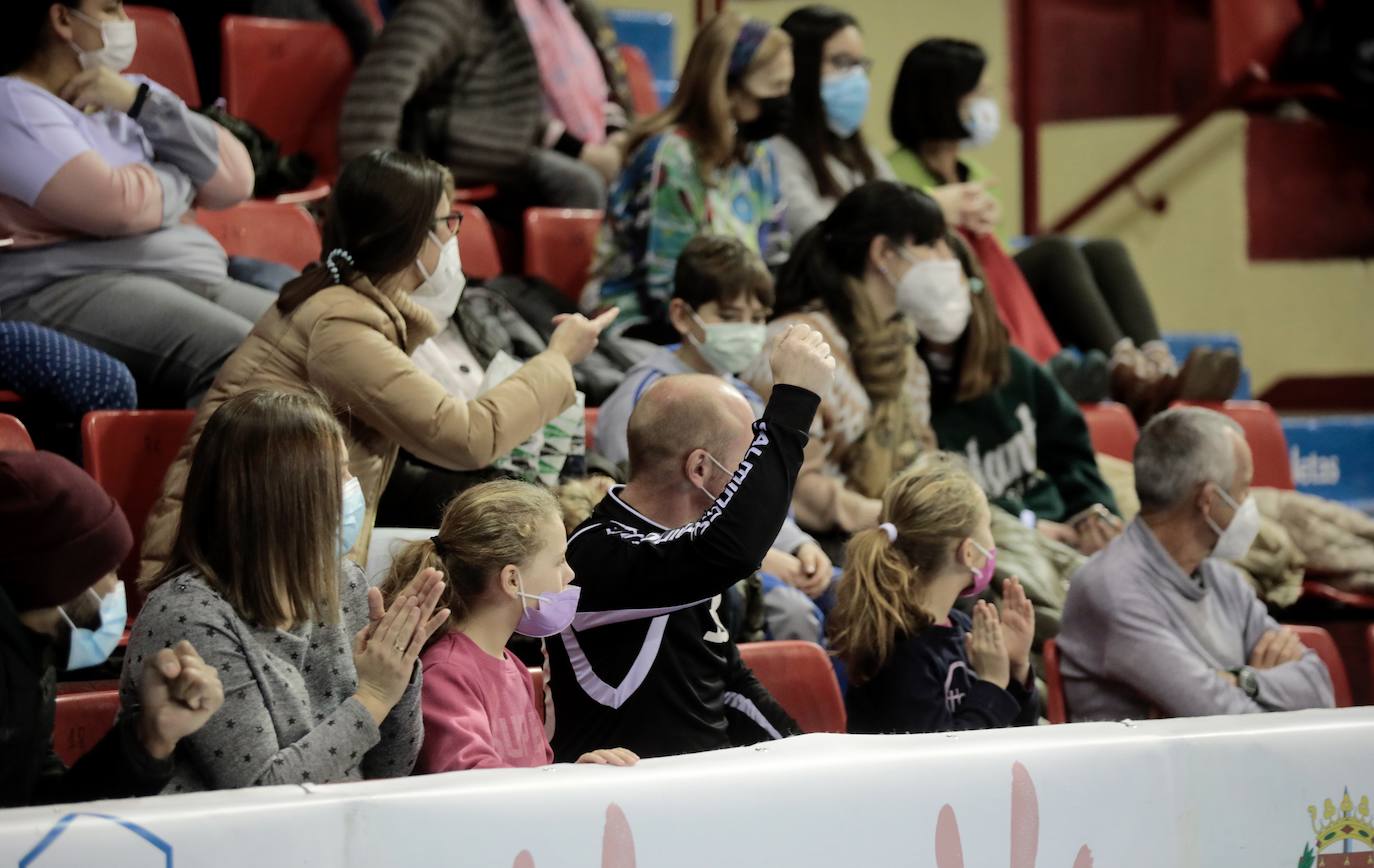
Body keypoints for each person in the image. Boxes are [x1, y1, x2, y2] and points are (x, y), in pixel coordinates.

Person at [140, 150, 615, 577]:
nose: (454, 238)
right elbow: (469, 436)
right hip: (227, 565)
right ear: (409, 234)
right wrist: (557, 358)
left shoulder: (351, 308)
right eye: (449, 222)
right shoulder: (340, 323)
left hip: (273, 549)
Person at [886, 37, 1239, 416]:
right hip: (953, 301)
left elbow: (1002, 267)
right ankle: (1123, 370)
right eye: (977, 93)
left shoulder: (980, 175)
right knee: (1055, 252)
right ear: (941, 98)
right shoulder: (893, 172)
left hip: (1003, 302)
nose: (988, 103)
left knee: (1106, 251)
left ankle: (1156, 364)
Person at [123, 389, 448, 791]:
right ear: (284, 497)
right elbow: (265, 792)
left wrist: (397, 669)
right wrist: (374, 696)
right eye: (339, 474)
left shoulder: (344, 582)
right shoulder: (191, 614)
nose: (354, 487)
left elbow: (388, 771)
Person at [546, 323, 836, 760]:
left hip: (701, 795)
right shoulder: (592, 555)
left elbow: (730, 687)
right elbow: (727, 550)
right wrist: (794, 401)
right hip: (620, 809)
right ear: (699, 469)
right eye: (745, 464)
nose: (748, 481)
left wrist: (812, 763)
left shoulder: (686, 553)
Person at [0, 0, 276, 409]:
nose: (127, 23)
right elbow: (117, 205)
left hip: (177, 274)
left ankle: (351, 476)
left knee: (317, 337)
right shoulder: (14, 105)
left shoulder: (133, 95)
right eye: (111, 10)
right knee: (244, 355)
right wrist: (184, 178)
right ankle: (197, 475)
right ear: (61, 19)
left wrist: (141, 102)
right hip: (65, 286)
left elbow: (236, 178)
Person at [596, 234, 833, 641]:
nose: (746, 330)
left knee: (857, 594)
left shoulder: (748, 396)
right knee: (794, 614)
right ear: (684, 316)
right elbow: (648, 511)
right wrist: (766, 560)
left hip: (758, 550)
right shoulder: (646, 394)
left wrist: (801, 546)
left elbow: (766, 491)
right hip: (693, 561)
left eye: (757, 318)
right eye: (729, 314)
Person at [1056, 407, 1335, 721]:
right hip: (1155, 770)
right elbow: (1223, 720)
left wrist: (1245, 680)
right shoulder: (1113, 590)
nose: (1248, 503)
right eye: (1243, 489)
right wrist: (1264, 688)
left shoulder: (1223, 579)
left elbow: (1319, 688)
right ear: (1208, 500)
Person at [1, 450, 223, 807]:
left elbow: (38, 809)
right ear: (59, 577)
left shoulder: (31, 656)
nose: (115, 586)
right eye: (107, 569)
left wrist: (148, 740)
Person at [382, 480, 637, 771]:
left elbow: (535, 771)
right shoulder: (447, 672)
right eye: (558, 561)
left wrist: (573, 773)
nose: (570, 573)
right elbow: (473, 784)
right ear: (512, 580)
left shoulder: (512, 666)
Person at [743, 180, 942, 535]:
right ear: (883, 253)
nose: (946, 259)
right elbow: (791, 484)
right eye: (929, 244)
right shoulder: (797, 344)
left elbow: (922, 459)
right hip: (821, 547)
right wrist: (893, 521)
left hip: (891, 532)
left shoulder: (905, 349)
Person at [583, 11, 792, 340]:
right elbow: (664, 287)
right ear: (727, 85)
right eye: (775, 87)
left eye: (788, 86)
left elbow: (776, 258)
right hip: (648, 326)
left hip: (733, 326)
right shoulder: (671, 156)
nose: (784, 100)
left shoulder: (760, 157)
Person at [925, 235, 1122, 558]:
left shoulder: (1012, 365)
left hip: (1061, 524)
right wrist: (1028, 524)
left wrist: (1091, 511)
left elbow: (1070, 449)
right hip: (996, 541)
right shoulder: (913, 394)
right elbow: (938, 501)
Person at [340, 0, 632, 217]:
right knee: (581, 183)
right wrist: (378, 195)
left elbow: (517, 109)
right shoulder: (445, 7)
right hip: (458, 159)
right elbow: (377, 93)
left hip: (505, 154)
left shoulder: (533, 11)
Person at [831, 458, 1039, 734]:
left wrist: (1015, 667)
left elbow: (1020, 736)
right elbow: (943, 766)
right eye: (988, 526)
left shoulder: (962, 627)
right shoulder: (900, 653)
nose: (993, 540)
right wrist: (990, 684)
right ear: (968, 552)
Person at [773, 5, 895, 238]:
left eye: (859, 64)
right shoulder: (776, 151)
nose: (856, 77)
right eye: (840, 62)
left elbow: (899, 205)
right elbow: (816, 235)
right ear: (799, 67)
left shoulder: (858, 150)